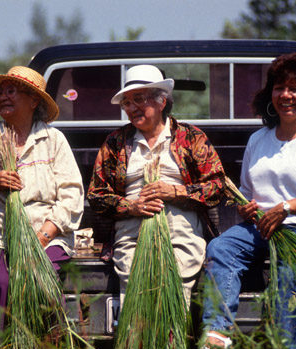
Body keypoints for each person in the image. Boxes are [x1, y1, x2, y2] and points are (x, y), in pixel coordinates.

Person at [193, 53, 296, 349]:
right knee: (220, 248)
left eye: (295, 89)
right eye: (279, 88)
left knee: (288, 272)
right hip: (260, 229)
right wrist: (246, 207)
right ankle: (217, 338)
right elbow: (247, 194)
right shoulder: (258, 139)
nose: (286, 96)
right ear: (270, 94)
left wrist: (285, 208)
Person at [0, 66, 84, 342]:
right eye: (0, 93)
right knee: (0, 282)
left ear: (34, 100)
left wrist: (43, 236)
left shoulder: (53, 141)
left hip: (48, 235)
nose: (2, 97)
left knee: (41, 278)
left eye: (11, 91)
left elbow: (72, 197)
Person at [87, 64, 225, 308]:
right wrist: (131, 206)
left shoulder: (190, 137)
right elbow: (96, 195)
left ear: (162, 102)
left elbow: (217, 186)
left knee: (174, 291)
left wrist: (174, 192)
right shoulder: (116, 142)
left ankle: (172, 343)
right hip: (131, 231)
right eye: (126, 103)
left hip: (180, 228)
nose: (131, 108)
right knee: (135, 292)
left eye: (138, 99)